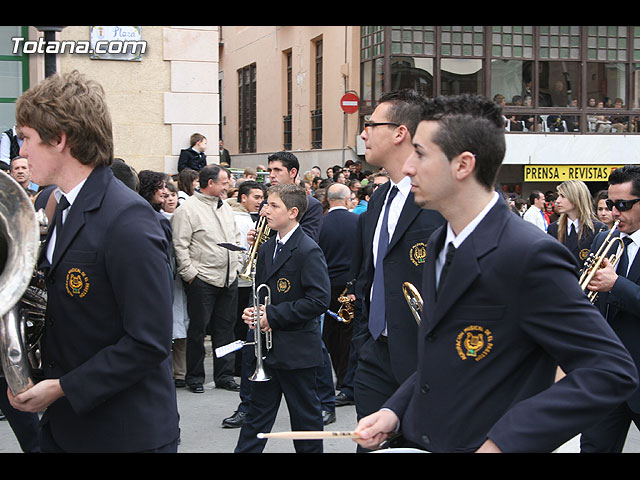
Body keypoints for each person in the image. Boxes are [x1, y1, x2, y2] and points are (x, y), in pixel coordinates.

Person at [353, 93, 638, 453]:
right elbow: (441, 353)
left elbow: (609, 371)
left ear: (463, 165)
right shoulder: (441, 241)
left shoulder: (529, 253)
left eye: (421, 154)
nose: (408, 167)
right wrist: (394, 411)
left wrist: (504, 443)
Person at [8, 70, 179, 453]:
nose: (20, 153)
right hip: (68, 428)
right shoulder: (63, 207)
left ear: (59, 139)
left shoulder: (128, 219)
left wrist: (63, 387)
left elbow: (149, 342)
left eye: (26, 139)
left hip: (122, 435)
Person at [352, 89, 445, 448]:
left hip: (422, 357)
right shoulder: (378, 199)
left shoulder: (435, 199)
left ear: (399, 132)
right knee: (370, 442)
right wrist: (363, 342)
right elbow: (369, 275)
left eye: (370, 125)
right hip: (375, 351)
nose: (364, 133)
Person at [234, 183, 330, 453]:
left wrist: (272, 316)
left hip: (297, 351)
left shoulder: (308, 249)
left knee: (305, 421)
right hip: (267, 350)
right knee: (255, 418)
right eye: (267, 204)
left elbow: (318, 300)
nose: (266, 210)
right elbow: (263, 294)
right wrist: (254, 312)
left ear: (293, 212)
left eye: (274, 205)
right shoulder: (266, 249)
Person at [581, 165, 640, 452]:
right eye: (610, 205)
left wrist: (616, 285)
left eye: (623, 205)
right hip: (605, 375)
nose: (614, 213)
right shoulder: (603, 240)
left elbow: (614, 288)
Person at [171, 164, 241, 394]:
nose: (228, 186)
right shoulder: (187, 209)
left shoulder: (225, 207)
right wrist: (191, 275)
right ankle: (195, 377)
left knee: (226, 329)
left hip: (228, 278)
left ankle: (225, 375)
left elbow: (236, 236)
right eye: (224, 182)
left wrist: (238, 265)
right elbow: (179, 245)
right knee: (198, 331)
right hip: (203, 279)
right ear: (210, 184)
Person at [318, 183, 359, 395]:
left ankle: (338, 375)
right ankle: (346, 379)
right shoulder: (358, 221)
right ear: (346, 200)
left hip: (328, 284)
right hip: (351, 286)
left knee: (331, 333)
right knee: (349, 334)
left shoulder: (321, 224)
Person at [547, 180, 606, 267]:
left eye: (563, 196)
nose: (558, 201)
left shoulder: (598, 229)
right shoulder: (553, 228)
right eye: (558, 196)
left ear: (576, 198)